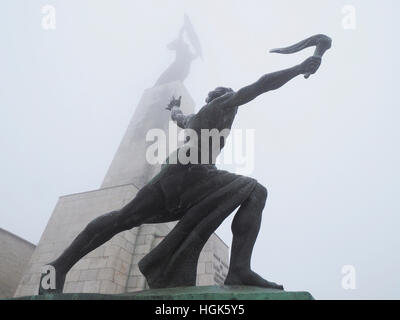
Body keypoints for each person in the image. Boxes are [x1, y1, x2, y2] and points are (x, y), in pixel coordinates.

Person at [39, 55, 322, 294]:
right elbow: (260, 86)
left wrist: (173, 106)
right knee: (123, 219)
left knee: (125, 219)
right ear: (219, 98)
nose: (233, 105)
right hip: (187, 175)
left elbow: (178, 117)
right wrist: (298, 69)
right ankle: (57, 267)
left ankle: (239, 270)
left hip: (194, 180)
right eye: (227, 95)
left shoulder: (196, 118)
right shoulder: (220, 106)